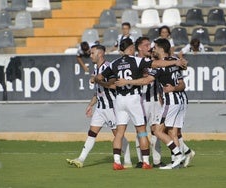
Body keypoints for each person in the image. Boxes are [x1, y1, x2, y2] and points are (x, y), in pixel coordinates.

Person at [95, 38, 187, 170]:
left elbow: (99, 77)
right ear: (131, 48)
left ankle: (117, 162)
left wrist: (100, 81)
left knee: (119, 133)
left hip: (119, 100)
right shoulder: (137, 61)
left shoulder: (114, 63)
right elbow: (155, 64)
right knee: (143, 131)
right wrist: (176, 62)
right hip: (134, 99)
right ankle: (146, 162)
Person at [66, 45, 132, 168]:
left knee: (118, 135)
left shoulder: (108, 67)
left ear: (100, 54)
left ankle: (128, 161)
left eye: (92, 53)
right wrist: (90, 105)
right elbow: (98, 92)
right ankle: (80, 159)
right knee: (92, 133)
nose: (90, 55)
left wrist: (98, 80)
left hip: (112, 108)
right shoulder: (96, 70)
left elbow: (114, 86)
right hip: (101, 108)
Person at [134, 37, 165, 168]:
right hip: (141, 100)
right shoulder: (134, 61)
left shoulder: (153, 61)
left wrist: (161, 94)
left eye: (150, 45)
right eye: (146, 45)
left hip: (155, 100)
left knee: (156, 130)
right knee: (140, 129)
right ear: (139, 47)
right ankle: (142, 160)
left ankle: (157, 160)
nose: (150, 47)